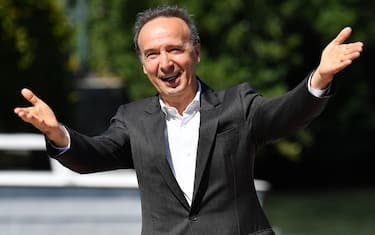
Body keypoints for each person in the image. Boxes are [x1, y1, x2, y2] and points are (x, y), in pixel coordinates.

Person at [14, 5, 363, 235]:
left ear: (195, 53)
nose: (164, 63)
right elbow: (90, 156)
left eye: (174, 50)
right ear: (143, 64)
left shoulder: (236, 104)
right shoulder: (132, 119)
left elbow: (284, 115)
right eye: (152, 54)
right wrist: (56, 132)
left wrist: (318, 78)